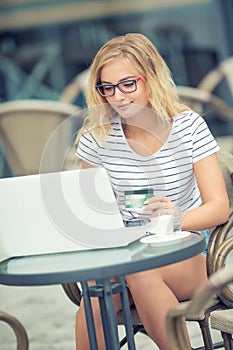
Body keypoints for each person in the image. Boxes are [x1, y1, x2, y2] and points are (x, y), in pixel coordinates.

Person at [74, 33, 229, 350]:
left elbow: (219, 208)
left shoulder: (188, 127)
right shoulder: (97, 136)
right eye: (107, 87)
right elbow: (88, 208)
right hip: (126, 250)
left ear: (151, 78)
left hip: (189, 252)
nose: (118, 96)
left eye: (128, 84)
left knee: (140, 271)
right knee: (97, 288)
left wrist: (175, 218)